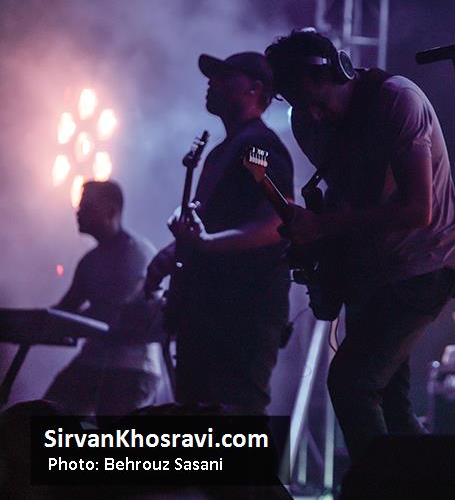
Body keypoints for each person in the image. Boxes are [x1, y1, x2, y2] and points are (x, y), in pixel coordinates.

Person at [265, 30, 455, 460]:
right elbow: (349, 198)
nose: (313, 116)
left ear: (340, 71)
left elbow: (418, 209)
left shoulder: (397, 101)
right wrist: (314, 240)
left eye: (318, 102)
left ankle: (378, 486)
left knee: (351, 383)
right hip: (376, 270)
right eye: (299, 105)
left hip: (427, 261)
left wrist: (323, 226)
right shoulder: (304, 120)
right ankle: (424, 486)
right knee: (392, 403)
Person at [144, 51, 293, 415]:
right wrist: (172, 254)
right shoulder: (223, 151)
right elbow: (211, 225)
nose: (212, 83)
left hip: (241, 313)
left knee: (233, 415)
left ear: (255, 88)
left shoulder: (256, 148)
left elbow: (278, 220)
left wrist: (207, 245)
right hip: (210, 312)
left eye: (226, 76)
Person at [45, 180, 161, 415]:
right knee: (44, 413)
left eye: (86, 206)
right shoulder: (89, 261)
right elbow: (66, 309)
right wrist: (37, 320)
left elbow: (120, 315)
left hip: (131, 366)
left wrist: (64, 319)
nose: (78, 212)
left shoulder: (136, 254)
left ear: (111, 211)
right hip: (94, 361)